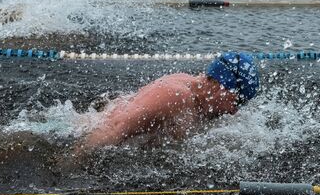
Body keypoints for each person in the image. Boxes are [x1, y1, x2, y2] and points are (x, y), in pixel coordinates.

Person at [78, 52, 260, 150]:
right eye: (237, 102)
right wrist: (67, 170)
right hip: (81, 131)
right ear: (221, 85)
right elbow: (112, 128)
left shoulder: (201, 103)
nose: (234, 111)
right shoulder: (175, 95)